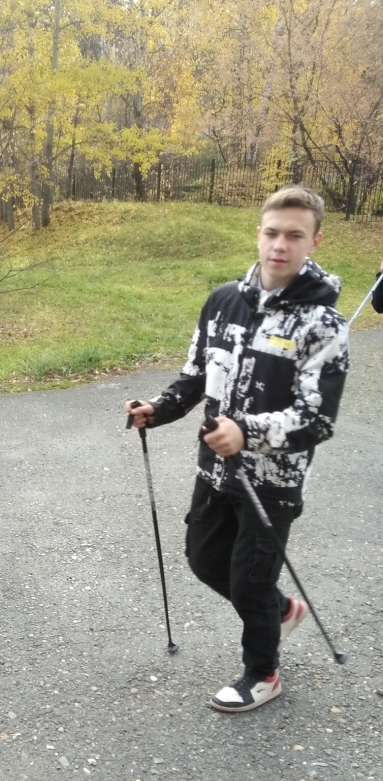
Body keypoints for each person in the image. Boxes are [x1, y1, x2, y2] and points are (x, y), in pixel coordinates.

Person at [126, 185, 349, 712]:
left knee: (250, 581)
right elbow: (195, 375)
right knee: (205, 561)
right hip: (215, 470)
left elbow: (316, 418)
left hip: (274, 481)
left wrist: (247, 432)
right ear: (258, 234)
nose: (280, 245)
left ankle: (263, 673)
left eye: (294, 235)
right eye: (272, 233)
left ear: (314, 241)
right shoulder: (222, 301)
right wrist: (158, 408)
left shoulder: (324, 325)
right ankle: (280, 610)